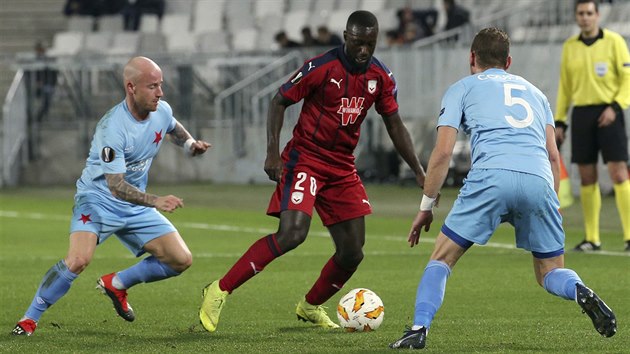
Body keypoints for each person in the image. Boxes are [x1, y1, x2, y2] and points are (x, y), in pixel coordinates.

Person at [389, 27, 617, 350]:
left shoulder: (462, 88)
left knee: (441, 258)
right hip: (538, 179)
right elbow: (554, 156)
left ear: (472, 58)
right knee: (550, 273)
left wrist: (426, 206)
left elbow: (441, 153)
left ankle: (418, 329)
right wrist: (551, 204)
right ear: (508, 61)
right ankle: (579, 289)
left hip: (490, 177)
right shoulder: (537, 94)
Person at [199, 10, 426, 333]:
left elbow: (394, 124)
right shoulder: (322, 67)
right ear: (346, 37)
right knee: (292, 234)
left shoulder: (381, 77)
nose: (364, 50)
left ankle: (310, 306)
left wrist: (418, 170)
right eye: (359, 43)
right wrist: (272, 153)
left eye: (371, 44)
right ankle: (219, 289)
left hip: (342, 166)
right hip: (305, 158)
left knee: (352, 253)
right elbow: (279, 101)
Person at [11, 56, 211, 336]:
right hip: (98, 200)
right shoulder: (112, 128)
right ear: (131, 87)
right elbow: (116, 186)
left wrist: (190, 145)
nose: (160, 93)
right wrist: (155, 200)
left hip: (135, 205)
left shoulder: (161, 110)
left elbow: (173, 128)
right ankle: (29, 319)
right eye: (152, 86)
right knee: (79, 260)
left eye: (161, 85)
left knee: (180, 259)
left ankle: (117, 283)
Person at [555, 0, 630, 252]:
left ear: (597, 15)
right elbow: (565, 86)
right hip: (582, 115)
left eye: (589, 13)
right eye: (581, 13)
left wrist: (616, 107)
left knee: (619, 173)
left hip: (610, 112)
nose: (585, 17)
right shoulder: (570, 47)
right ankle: (592, 238)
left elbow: (627, 78)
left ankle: (629, 236)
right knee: (587, 177)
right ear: (576, 17)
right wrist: (560, 120)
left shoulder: (615, 42)